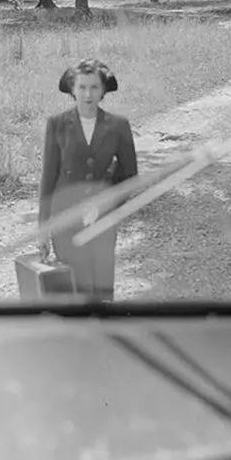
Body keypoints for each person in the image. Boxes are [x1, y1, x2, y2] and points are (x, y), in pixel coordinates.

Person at [37, 58, 138, 301]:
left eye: (94, 87)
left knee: (102, 289)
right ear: (72, 90)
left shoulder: (118, 126)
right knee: (73, 289)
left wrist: (104, 205)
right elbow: (48, 178)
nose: (88, 94)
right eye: (82, 87)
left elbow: (129, 177)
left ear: (103, 90)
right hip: (65, 219)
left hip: (102, 220)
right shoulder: (57, 124)